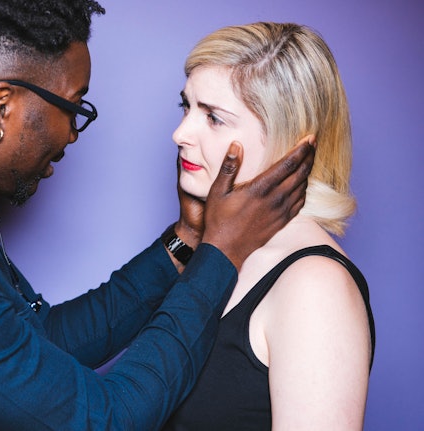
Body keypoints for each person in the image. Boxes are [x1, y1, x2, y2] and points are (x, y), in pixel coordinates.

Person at [0, 2, 315, 430]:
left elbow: (41, 341)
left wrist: (187, 238)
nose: (72, 133)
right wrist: (221, 253)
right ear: (0, 108)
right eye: (72, 107)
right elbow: (106, 420)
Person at [161, 22, 375, 431]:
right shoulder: (214, 250)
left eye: (214, 118)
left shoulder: (316, 287)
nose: (180, 133)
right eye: (186, 106)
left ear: (292, 144)